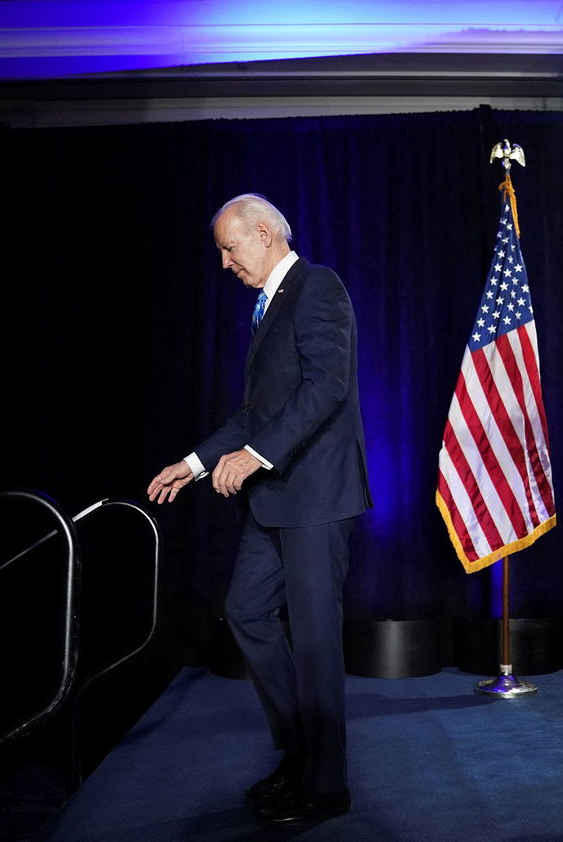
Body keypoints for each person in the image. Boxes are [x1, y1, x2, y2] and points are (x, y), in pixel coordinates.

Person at [147, 193, 371, 825]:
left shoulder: (317, 286)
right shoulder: (266, 306)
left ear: (266, 233)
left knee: (317, 640)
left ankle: (327, 786)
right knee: (245, 610)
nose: (224, 262)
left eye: (230, 247)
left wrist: (257, 456)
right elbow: (254, 414)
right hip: (274, 499)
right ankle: (299, 752)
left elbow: (327, 384)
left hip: (316, 496)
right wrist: (193, 465)